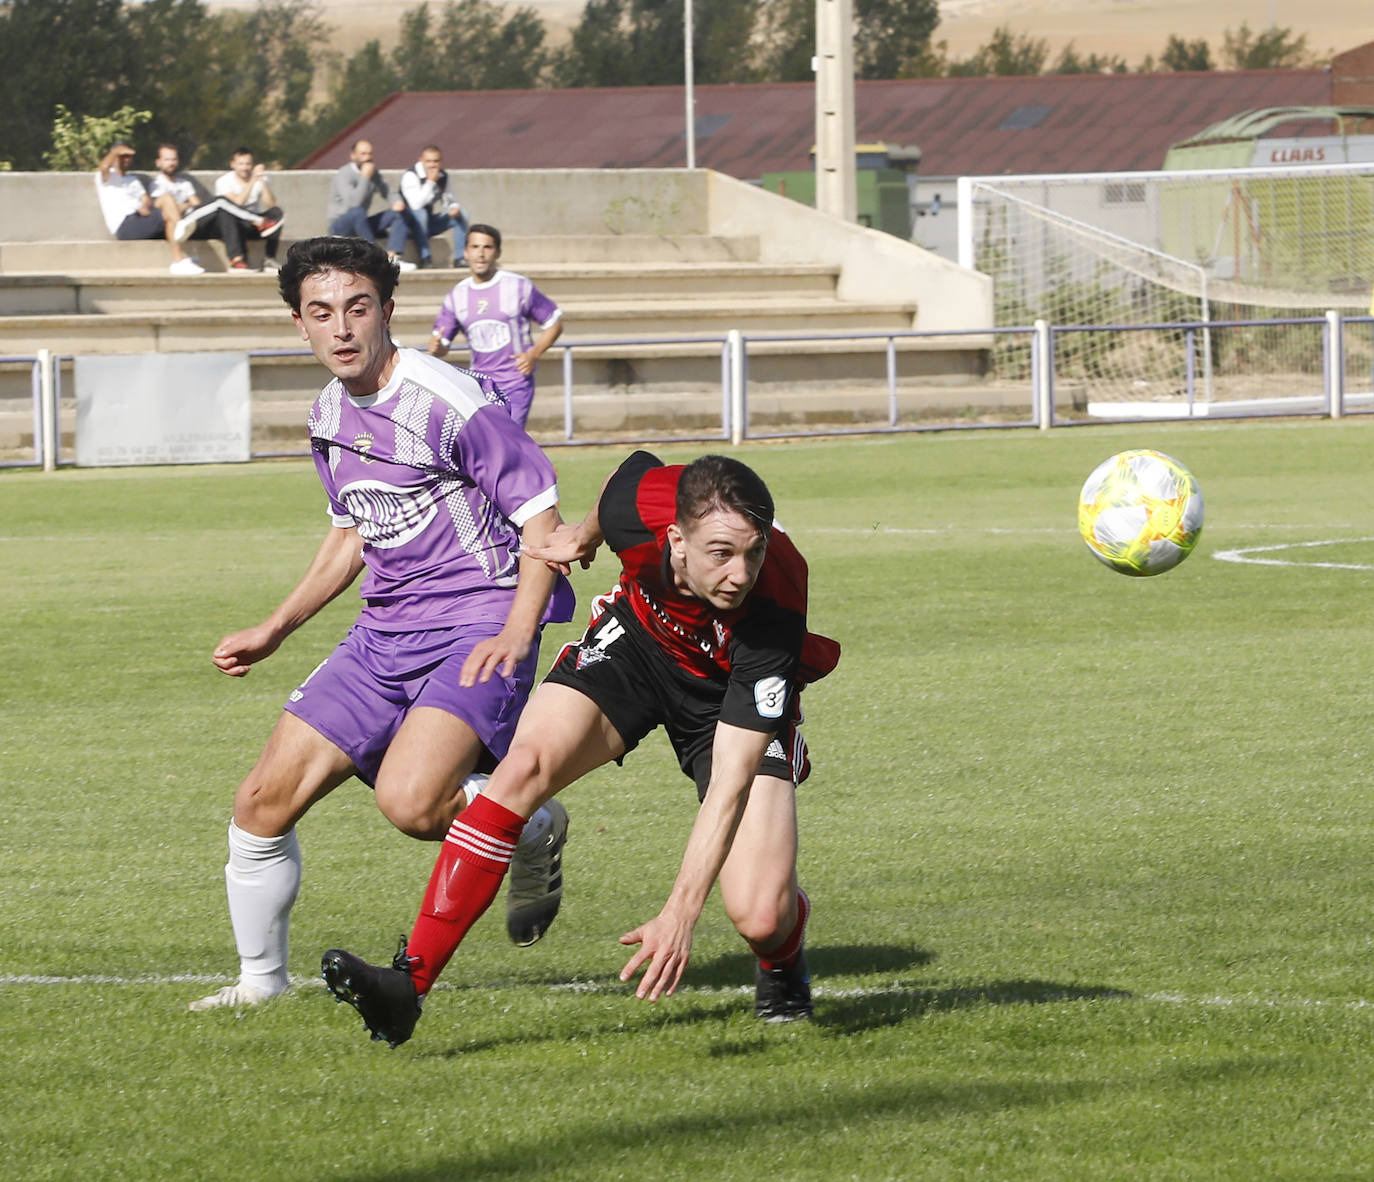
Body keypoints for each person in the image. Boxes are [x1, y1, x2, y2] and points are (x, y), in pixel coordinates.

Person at [320, 449, 842, 1047]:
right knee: (523, 769)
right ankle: (407, 986)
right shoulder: (638, 510)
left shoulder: (774, 601)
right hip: (639, 646)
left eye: (753, 553)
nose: (740, 574)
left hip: (726, 688)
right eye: (721, 554)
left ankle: (783, 962)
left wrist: (679, 913)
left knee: (760, 914)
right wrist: (583, 536)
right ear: (676, 540)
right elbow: (627, 474)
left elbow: (730, 782)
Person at [189, 235, 575, 1013]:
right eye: (321, 312)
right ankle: (260, 985)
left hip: (477, 620)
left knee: (412, 804)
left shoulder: (450, 401)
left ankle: (531, 823)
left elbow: (544, 523)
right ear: (299, 322)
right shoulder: (328, 411)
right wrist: (276, 628)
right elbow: (352, 534)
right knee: (261, 801)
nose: (341, 328)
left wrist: (515, 632)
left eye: (357, 308)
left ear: (387, 311)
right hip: (383, 632)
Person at [427, 225, 563, 428]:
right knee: (485, 443)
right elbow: (441, 345)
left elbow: (554, 323)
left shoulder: (518, 286)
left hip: (515, 383)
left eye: (487, 247)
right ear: (466, 252)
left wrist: (533, 355)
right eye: (475, 247)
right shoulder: (457, 295)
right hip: (479, 387)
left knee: (508, 439)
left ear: (497, 252)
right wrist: (436, 347)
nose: (480, 254)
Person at [94, 139, 204, 275]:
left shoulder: (132, 180)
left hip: (140, 219)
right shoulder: (106, 177)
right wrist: (116, 151)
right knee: (170, 211)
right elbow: (103, 166)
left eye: (128, 156)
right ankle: (179, 259)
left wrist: (144, 206)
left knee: (167, 201)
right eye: (122, 156)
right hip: (125, 225)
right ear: (114, 156)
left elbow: (145, 198)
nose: (126, 159)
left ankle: (180, 257)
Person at [327, 139, 414, 272]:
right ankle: (376, 257)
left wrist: (396, 202)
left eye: (370, 154)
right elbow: (353, 204)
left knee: (399, 212)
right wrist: (365, 177)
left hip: (361, 222)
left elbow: (388, 192)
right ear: (353, 156)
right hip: (341, 225)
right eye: (363, 154)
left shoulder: (374, 173)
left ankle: (393, 257)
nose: (367, 158)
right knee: (358, 211)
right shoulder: (344, 174)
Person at [212, 147, 286, 272]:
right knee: (226, 215)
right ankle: (237, 260)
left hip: (257, 226)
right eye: (241, 164)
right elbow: (238, 202)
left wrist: (261, 180)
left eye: (248, 164)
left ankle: (269, 259)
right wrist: (252, 181)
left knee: (276, 212)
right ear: (233, 164)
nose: (245, 167)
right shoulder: (223, 182)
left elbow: (271, 203)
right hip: (234, 226)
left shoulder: (259, 179)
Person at [398, 146, 467, 270]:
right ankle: (426, 258)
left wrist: (453, 207)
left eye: (436, 161)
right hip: (408, 226)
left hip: (428, 224)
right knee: (421, 213)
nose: (432, 165)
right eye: (428, 161)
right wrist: (430, 182)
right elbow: (416, 205)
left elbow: (449, 199)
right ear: (421, 160)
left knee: (462, 214)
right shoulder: (411, 175)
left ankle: (459, 258)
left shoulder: (443, 176)